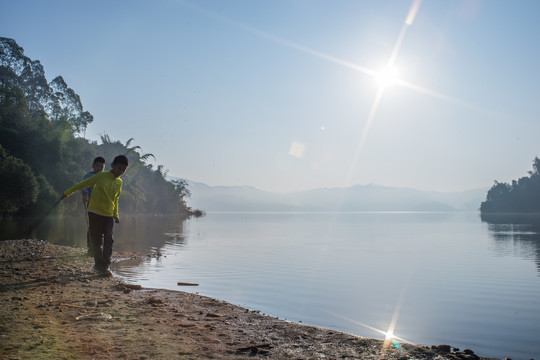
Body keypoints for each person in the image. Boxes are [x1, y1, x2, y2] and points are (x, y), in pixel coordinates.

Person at [60, 155, 129, 276]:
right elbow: (83, 184)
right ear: (113, 165)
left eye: (123, 170)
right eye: (119, 168)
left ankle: (105, 266)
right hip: (95, 212)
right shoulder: (101, 176)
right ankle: (98, 265)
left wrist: (116, 215)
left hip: (108, 215)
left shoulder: (119, 182)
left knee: (109, 239)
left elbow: (115, 199)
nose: (120, 172)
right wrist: (67, 193)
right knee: (96, 241)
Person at [82, 157, 105, 255]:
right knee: (92, 226)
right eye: (97, 166)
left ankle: (98, 247)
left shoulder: (105, 177)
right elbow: (84, 187)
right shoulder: (88, 176)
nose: (99, 168)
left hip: (103, 206)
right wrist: (85, 195)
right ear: (93, 166)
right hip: (91, 204)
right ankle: (90, 248)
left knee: (101, 227)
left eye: (101, 166)